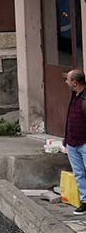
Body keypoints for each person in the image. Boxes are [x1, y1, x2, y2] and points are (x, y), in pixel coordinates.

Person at [64, 69, 86, 215]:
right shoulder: (74, 95)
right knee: (79, 173)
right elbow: (69, 118)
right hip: (72, 142)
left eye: (68, 79)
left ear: (75, 82)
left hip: (84, 142)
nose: (66, 82)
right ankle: (85, 201)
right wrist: (66, 138)